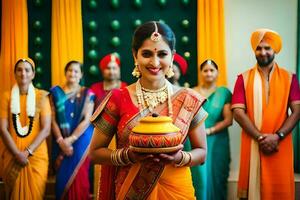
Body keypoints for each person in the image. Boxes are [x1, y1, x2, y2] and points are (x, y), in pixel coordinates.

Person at [89, 21, 208, 200]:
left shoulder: (189, 99)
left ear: (173, 56)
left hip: (177, 190)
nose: (155, 62)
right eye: (146, 54)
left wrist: (179, 158)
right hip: (131, 190)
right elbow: (95, 153)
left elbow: (202, 152)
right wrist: (127, 156)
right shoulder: (117, 98)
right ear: (135, 55)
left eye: (162, 54)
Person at [232, 28, 300, 199]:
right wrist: (260, 137)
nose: (263, 52)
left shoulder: (289, 78)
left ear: (274, 50)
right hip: (253, 142)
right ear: (254, 50)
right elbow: (238, 113)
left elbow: (297, 111)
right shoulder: (243, 78)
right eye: (259, 48)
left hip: (281, 144)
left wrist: (278, 136)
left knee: (280, 190)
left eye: (267, 48)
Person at [0, 58, 51, 199]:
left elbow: (46, 129)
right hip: (12, 155)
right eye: (19, 70)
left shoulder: (41, 97)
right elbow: (3, 129)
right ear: (15, 73)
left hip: (36, 157)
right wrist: (17, 154)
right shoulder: (6, 97)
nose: (23, 73)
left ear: (33, 74)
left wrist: (27, 153)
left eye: (27, 70)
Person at [49, 61, 95, 199]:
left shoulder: (88, 94)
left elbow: (87, 119)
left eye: (76, 71)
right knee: (62, 179)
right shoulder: (55, 93)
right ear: (65, 72)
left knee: (80, 177)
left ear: (81, 75)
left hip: (81, 140)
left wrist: (70, 140)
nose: (72, 73)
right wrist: (61, 141)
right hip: (60, 140)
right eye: (70, 70)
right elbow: (52, 120)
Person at [192, 59, 232, 200]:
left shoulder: (223, 93)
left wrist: (209, 131)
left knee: (217, 176)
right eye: (205, 70)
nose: (208, 73)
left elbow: (228, 120)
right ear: (201, 73)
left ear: (217, 72)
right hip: (196, 141)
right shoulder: (193, 92)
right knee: (199, 178)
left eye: (212, 70)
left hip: (217, 141)